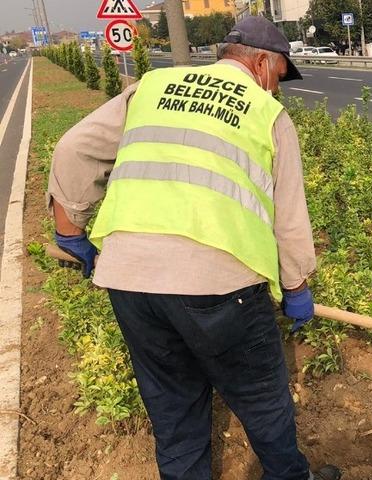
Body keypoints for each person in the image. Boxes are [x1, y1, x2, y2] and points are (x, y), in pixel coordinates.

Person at [48, 16, 341, 480]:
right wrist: (296, 285)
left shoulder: (153, 86)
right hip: (221, 286)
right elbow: (288, 220)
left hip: (129, 280)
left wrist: (70, 234)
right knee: (262, 397)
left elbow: (72, 150)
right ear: (262, 62)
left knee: (174, 408)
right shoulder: (265, 114)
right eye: (279, 77)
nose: (277, 90)